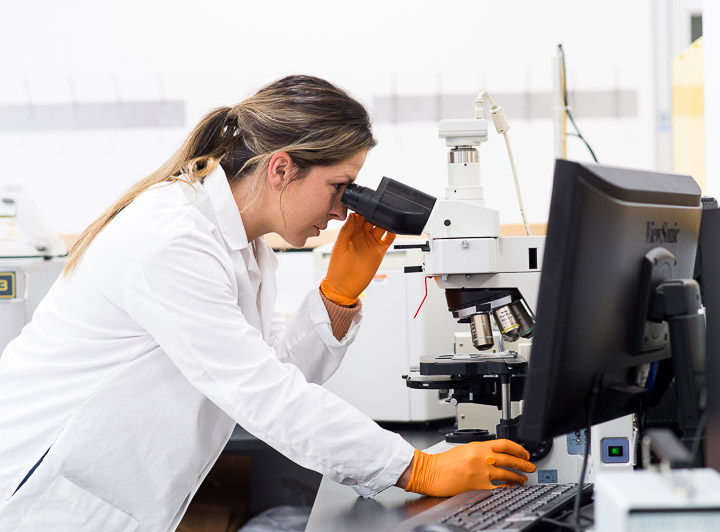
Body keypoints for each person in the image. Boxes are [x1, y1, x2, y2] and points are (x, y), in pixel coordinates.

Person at [0, 75, 535, 531]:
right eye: (339, 187)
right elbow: (263, 395)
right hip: (41, 493)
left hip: (110, 491)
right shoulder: (172, 238)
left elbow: (270, 371)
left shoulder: (248, 245)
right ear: (281, 169)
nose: (341, 210)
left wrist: (338, 295)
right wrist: (416, 469)